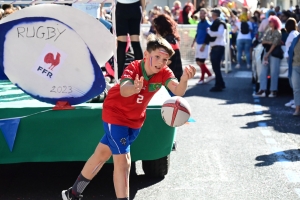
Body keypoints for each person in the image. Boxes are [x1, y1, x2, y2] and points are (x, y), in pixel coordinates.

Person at [61, 34, 196, 200]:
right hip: (115, 114)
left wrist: (184, 80)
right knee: (124, 161)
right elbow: (124, 88)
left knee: (101, 155)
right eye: (157, 57)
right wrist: (134, 88)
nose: (161, 62)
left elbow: (178, 91)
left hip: (135, 120)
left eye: (165, 59)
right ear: (146, 55)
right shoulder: (133, 67)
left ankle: (72, 193)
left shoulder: (164, 72)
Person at [108, 0, 145, 79]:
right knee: (135, 43)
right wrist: (143, 10)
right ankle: (142, 74)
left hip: (122, 7)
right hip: (135, 7)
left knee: (121, 44)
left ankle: (119, 76)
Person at [253, 15, 282, 98]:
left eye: (271, 21)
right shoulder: (268, 31)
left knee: (274, 72)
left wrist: (268, 52)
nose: (269, 23)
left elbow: (275, 44)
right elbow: (263, 41)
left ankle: (273, 91)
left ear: (275, 23)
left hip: (274, 54)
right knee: (263, 72)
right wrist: (269, 42)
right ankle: (262, 90)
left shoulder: (278, 32)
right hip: (266, 52)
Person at [153, 14, 183, 83]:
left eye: (156, 26)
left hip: (170, 80)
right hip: (175, 78)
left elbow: (168, 61)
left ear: (161, 27)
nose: (155, 29)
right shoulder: (172, 38)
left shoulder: (167, 41)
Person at [191, 8, 214, 84]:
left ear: (206, 14)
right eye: (200, 13)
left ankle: (202, 78)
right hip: (198, 44)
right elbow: (197, 34)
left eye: (203, 13)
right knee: (198, 61)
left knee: (201, 62)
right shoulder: (199, 23)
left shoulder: (208, 24)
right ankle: (209, 75)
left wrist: (204, 45)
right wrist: (193, 42)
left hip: (204, 45)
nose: (201, 15)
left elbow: (208, 35)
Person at [206, 8, 226, 92]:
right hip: (215, 47)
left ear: (215, 15)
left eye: (212, 14)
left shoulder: (220, 23)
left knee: (216, 67)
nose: (211, 15)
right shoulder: (215, 22)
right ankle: (221, 83)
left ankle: (218, 85)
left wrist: (210, 32)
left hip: (219, 46)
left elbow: (219, 34)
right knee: (215, 66)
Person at [285, 19, 300, 109]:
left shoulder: (293, 35)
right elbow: (291, 49)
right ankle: (297, 108)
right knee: (296, 87)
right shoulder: (296, 38)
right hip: (294, 64)